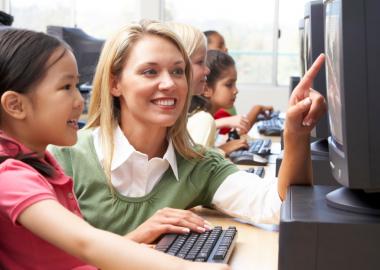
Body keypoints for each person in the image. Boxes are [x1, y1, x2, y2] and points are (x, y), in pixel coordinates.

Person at [49, 20, 326, 245]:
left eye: (178, 71)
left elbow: (279, 206)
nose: (169, 84)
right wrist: (137, 238)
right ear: (114, 84)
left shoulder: (198, 164)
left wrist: (296, 134)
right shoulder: (65, 158)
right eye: (150, 72)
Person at [0, 28, 229, 270]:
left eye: (77, 85)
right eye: (66, 87)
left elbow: (73, 259)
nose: (79, 101)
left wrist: (133, 242)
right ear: (15, 105)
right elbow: (85, 243)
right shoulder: (10, 177)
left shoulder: (41, 162)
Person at [166, 22, 247, 155]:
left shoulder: (183, 116)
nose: (207, 70)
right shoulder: (203, 119)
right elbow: (197, 168)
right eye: (200, 62)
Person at [204, 30, 273, 135]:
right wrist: (256, 109)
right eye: (220, 45)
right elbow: (239, 131)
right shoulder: (213, 111)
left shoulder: (222, 101)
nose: (226, 49)